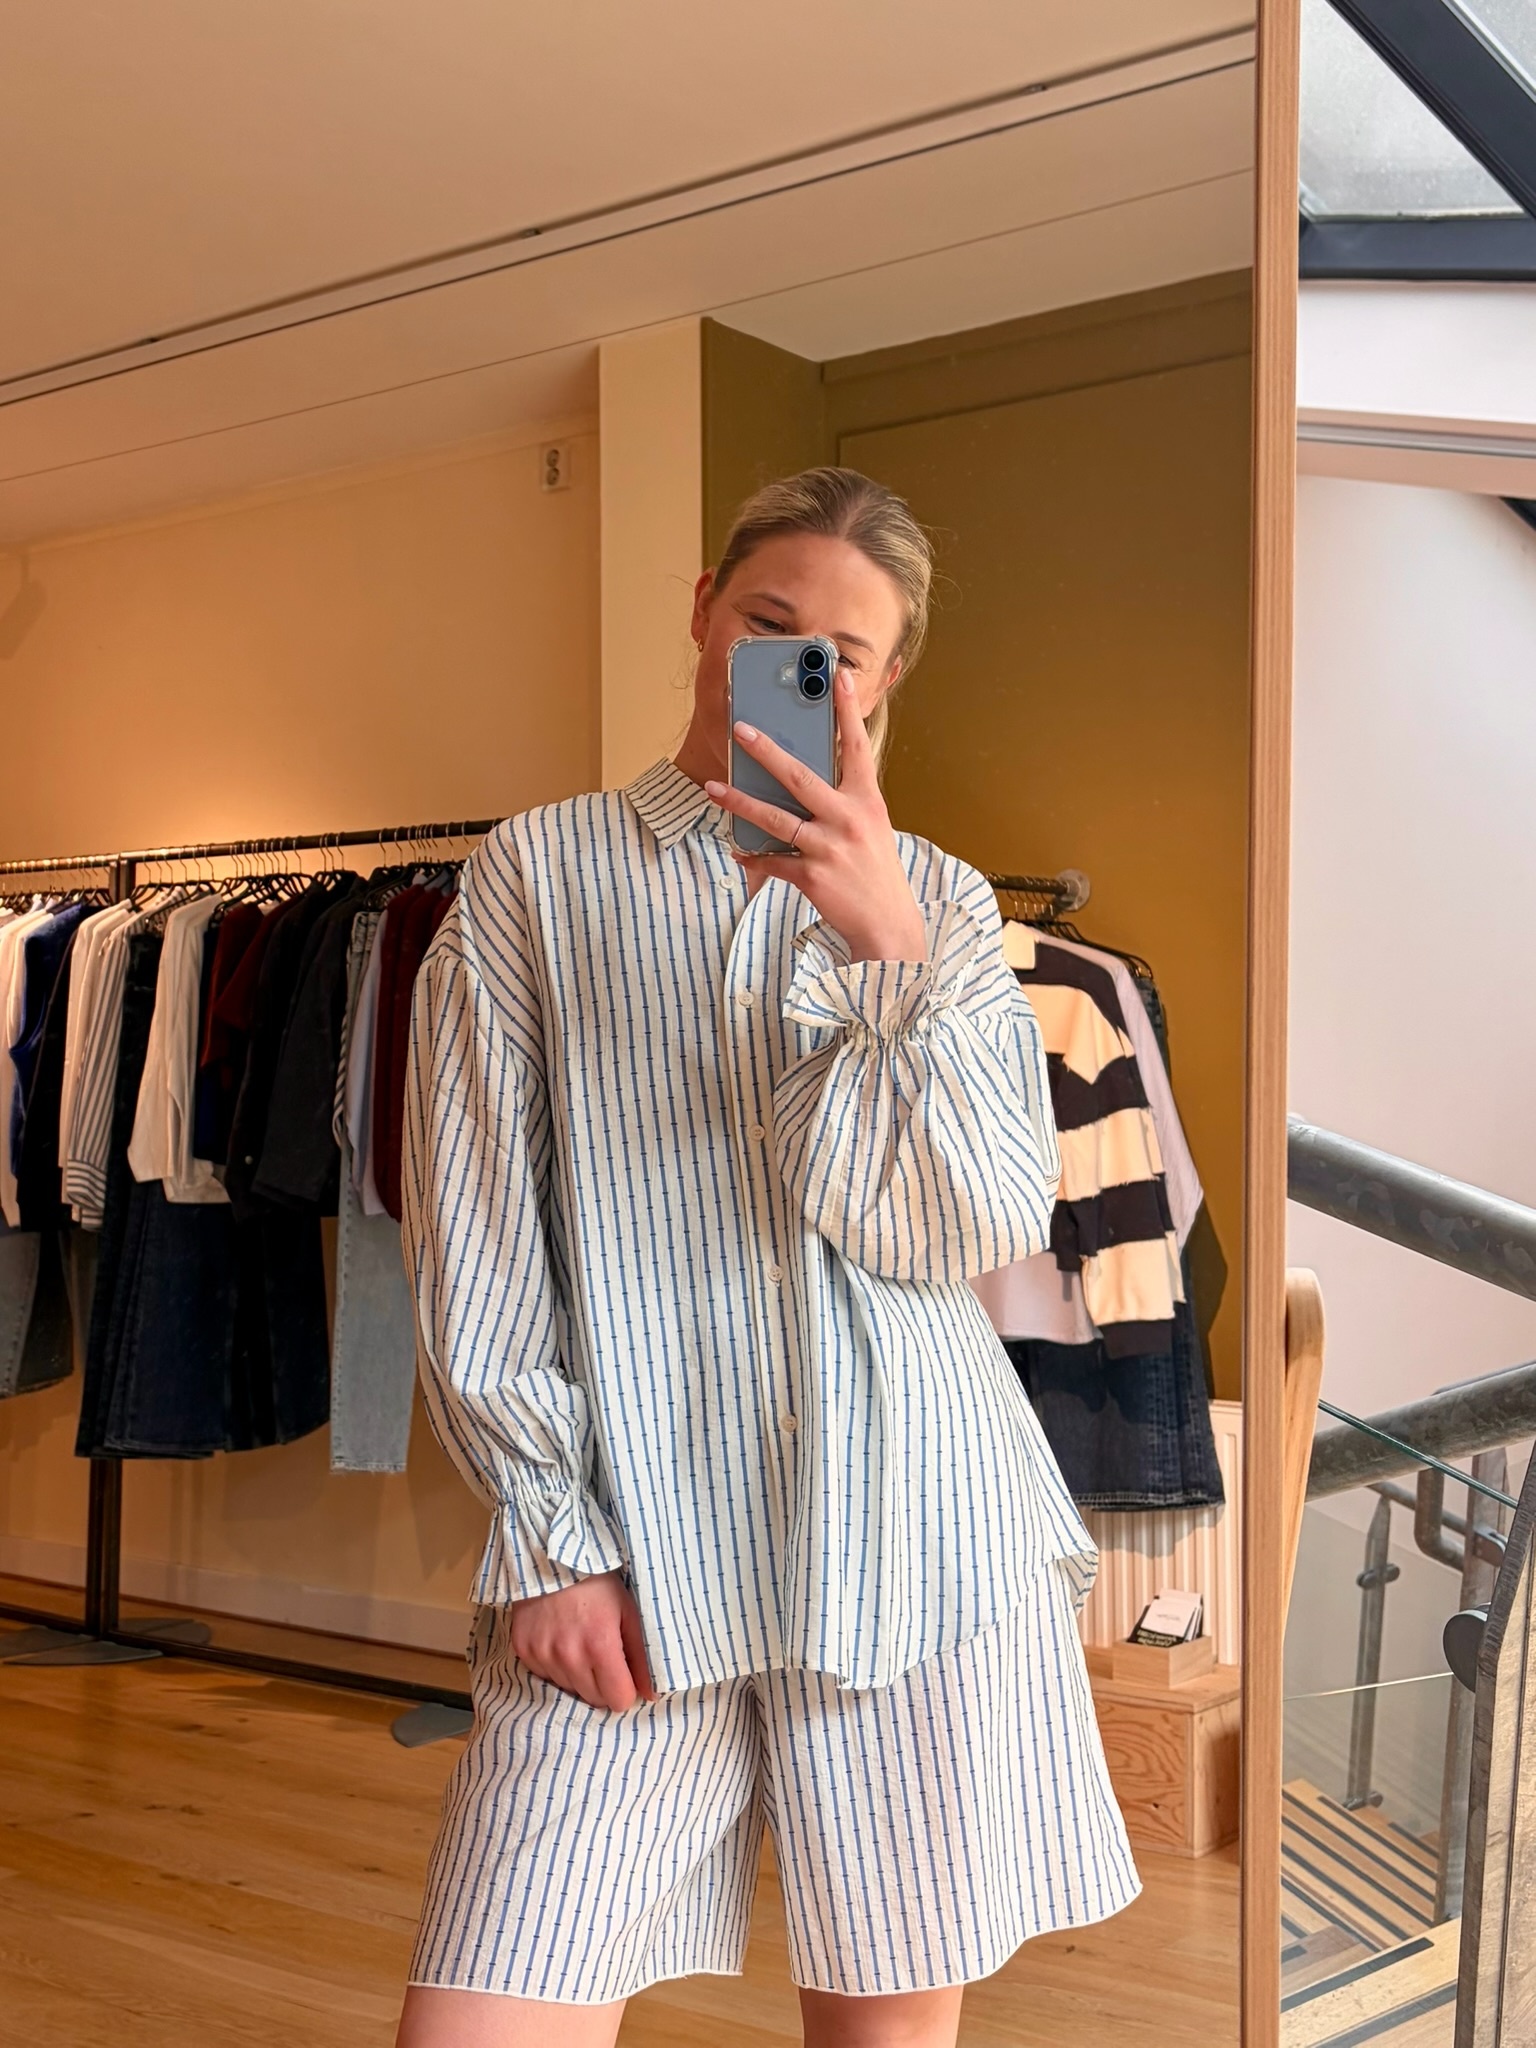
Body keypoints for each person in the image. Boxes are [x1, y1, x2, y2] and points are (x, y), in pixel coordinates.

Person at [396, 467, 1137, 2048]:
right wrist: (550, 1537)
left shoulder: (939, 903)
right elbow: (477, 1230)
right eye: (769, 624)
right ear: (702, 615)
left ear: (885, 681)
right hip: (633, 1549)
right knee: (480, 2010)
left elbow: (968, 1224)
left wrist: (886, 956)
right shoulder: (538, 877)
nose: (803, 669)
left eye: (841, 655)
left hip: (909, 1538)